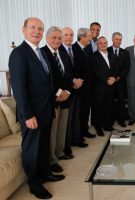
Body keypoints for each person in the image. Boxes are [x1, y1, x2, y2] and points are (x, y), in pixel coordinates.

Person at [9, 17, 64, 199]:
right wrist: (28, 115)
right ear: (23, 29)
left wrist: (52, 107)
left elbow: (48, 84)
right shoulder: (19, 53)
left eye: (40, 28)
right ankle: (34, 183)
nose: (37, 31)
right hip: (32, 114)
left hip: (46, 110)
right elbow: (19, 88)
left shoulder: (40, 52)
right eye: (33, 28)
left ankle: (44, 173)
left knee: (43, 146)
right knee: (32, 149)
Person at [42, 26, 74, 173]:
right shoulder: (42, 53)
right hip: (52, 99)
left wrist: (67, 91)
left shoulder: (63, 52)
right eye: (54, 37)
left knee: (62, 128)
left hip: (66, 97)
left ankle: (60, 153)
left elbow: (68, 74)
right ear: (47, 38)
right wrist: (59, 92)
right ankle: (52, 159)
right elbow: (44, 78)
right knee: (52, 131)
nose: (57, 40)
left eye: (59, 38)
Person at [60, 27, 83, 157]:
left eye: (71, 35)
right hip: (65, 90)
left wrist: (78, 81)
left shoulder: (74, 48)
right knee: (66, 122)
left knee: (74, 118)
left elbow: (76, 68)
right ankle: (66, 148)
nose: (69, 37)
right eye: (66, 35)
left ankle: (74, 140)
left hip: (76, 89)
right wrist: (73, 82)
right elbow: (62, 73)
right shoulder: (59, 49)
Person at [90, 36, 117, 134]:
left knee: (109, 106)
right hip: (99, 87)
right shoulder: (93, 56)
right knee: (98, 108)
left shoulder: (112, 55)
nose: (103, 45)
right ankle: (98, 128)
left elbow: (115, 69)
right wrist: (106, 79)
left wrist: (114, 78)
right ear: (97, 45)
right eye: (101, 43)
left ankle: (108, 125)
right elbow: (95, 71)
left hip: (111, 86)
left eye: (105, 43)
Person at [72, 28, 93, 147]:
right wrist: (75, 81)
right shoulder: (74, 49)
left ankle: (85, 131)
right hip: (78, 88)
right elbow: (72, 69)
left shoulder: (87, 48)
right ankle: (77, 137)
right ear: (83, 37)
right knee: (78, 114)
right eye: (89, 36)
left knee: (85, 112)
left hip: (88, 87)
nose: (91, 38)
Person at [107, 32, 130, 127]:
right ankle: (110, 121)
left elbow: (127, 67)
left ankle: (121, 120)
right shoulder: (106, 50)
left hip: (120, 81)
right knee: (109, 102)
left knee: (121, 102)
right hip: (109, 82)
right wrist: (110, 78)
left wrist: (117, 77)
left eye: (120, 39)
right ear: (112, 39)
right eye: (116, 39)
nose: (118, 41)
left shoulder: (125, 52)